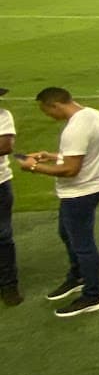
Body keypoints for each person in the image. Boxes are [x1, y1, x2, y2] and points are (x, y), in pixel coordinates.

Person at [15, 87, 99, 317]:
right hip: (92, 185)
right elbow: (81, 156)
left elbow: (70, 170)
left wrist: (34, 167)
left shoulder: (74, 128)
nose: (48, 116)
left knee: (83, 244)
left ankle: (92, 296)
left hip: (80, 192)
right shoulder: (93, 114)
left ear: (54, 105)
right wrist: (52, 156)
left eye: (46, 111)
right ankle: (78, 276)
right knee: (66, 233)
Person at [0, 87, 17, 306]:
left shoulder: (3, 115)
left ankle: (9, 285)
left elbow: (5, 145)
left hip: (0, 183)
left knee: (2, 236)